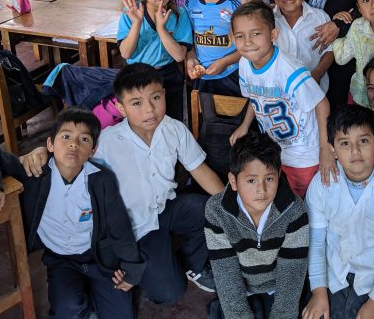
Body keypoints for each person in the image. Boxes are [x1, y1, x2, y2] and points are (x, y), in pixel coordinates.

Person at [21, 64, 226, 305]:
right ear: (121, 107)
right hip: (133, 228)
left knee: (211, 208)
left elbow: (199, 170)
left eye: (156, 98)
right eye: (136, 103)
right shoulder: (106, 142)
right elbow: (74, 157)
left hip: (164, 210)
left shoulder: (174, 129)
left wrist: (231, 206)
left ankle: (193, 263)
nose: (149, 110)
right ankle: (148, 263)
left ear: (164, 95)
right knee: (168, 292)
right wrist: (42, 151)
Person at [0, 108, 144, 319]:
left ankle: (94, 302)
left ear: (93, 150)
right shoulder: (35, 171)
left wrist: (131, 267)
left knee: (121, 315)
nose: (74, 144)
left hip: (100, 258)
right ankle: (85, 304)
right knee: (66, 310)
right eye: (65, 136)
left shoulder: (102, 179)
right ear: (50, 144)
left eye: (84, 139)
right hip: (61, 260)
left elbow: (119, 226)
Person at [303, 104, 374, 319]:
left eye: (363, 141)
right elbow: (317, 242)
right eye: (345, 143)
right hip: (333, 276)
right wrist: (318, 291)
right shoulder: (321, 184)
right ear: (333, 150)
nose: (355, 151)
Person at [228, 1, 334, 199]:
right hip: (275, 150)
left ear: (273, 35)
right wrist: (244, 125)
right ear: (233, 39)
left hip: (304, 155)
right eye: (240, 36)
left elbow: (321, 104)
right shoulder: (244, 64)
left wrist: (324, 149)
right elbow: (255, 95)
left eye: (256, 33)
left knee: (304, 204)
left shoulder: (288, 69)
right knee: (281, 199)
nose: (248, 41)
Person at [204, 130, 309, 319]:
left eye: (269, 179)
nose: (261, 190)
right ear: (233, 181)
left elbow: (292, 271)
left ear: (279, 175)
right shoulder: (216, 211)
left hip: (278, 288)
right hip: (240, 288)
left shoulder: (294, 210)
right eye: (251, 180)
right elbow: (225, 271)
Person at [118, 0, 191, 121]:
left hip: (168, 76)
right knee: (142, 123)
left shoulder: (180, 14)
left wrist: (161, 28)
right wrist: (136, 23)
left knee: (171, 122)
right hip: (137, 78)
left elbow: (179, 56)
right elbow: (126, 53)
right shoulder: (131, 13)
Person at [269, 0, 334, 93]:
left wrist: (317, 73)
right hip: (276, 90)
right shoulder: (266, 19)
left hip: (314, 90)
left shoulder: (320, 17)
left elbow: (330, 51)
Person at [185, 0, 242, 96]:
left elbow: (249, 46)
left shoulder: (239, 3)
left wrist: (225, 62)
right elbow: (188, 38)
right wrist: (190, 58)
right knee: (201, 114)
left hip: (232, 72)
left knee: (232, 114)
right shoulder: (190, 1)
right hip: (200, 74)